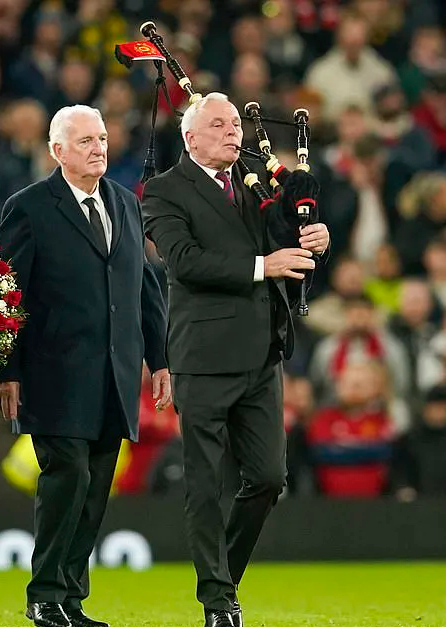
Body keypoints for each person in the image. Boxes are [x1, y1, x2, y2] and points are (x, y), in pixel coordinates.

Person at [141, 92, 330, 627]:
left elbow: (290, 240)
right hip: (202, 356)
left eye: (234, 124)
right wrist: (262, 265)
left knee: (269, 478)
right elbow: (184, 261)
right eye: (218, 124)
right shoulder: (163, 190)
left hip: (263, 352)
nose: (233, 132)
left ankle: (222, 577)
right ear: (190, 137)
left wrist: (317, 238)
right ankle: (218, 600)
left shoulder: (257, 181)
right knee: (204, 480)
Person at [0, 105, 169, 627]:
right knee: (65, 477)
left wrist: (159, 359)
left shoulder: (125, 205)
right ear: (57, 150)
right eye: (85, 140)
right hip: (53, 375)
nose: (98, 148)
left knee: (94, 488)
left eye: (102, 138)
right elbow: (6, 293)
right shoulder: (29, 207)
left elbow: (145, 287)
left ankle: (69, 597)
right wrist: (5, 369)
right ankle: (44, 593)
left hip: (113, 375)